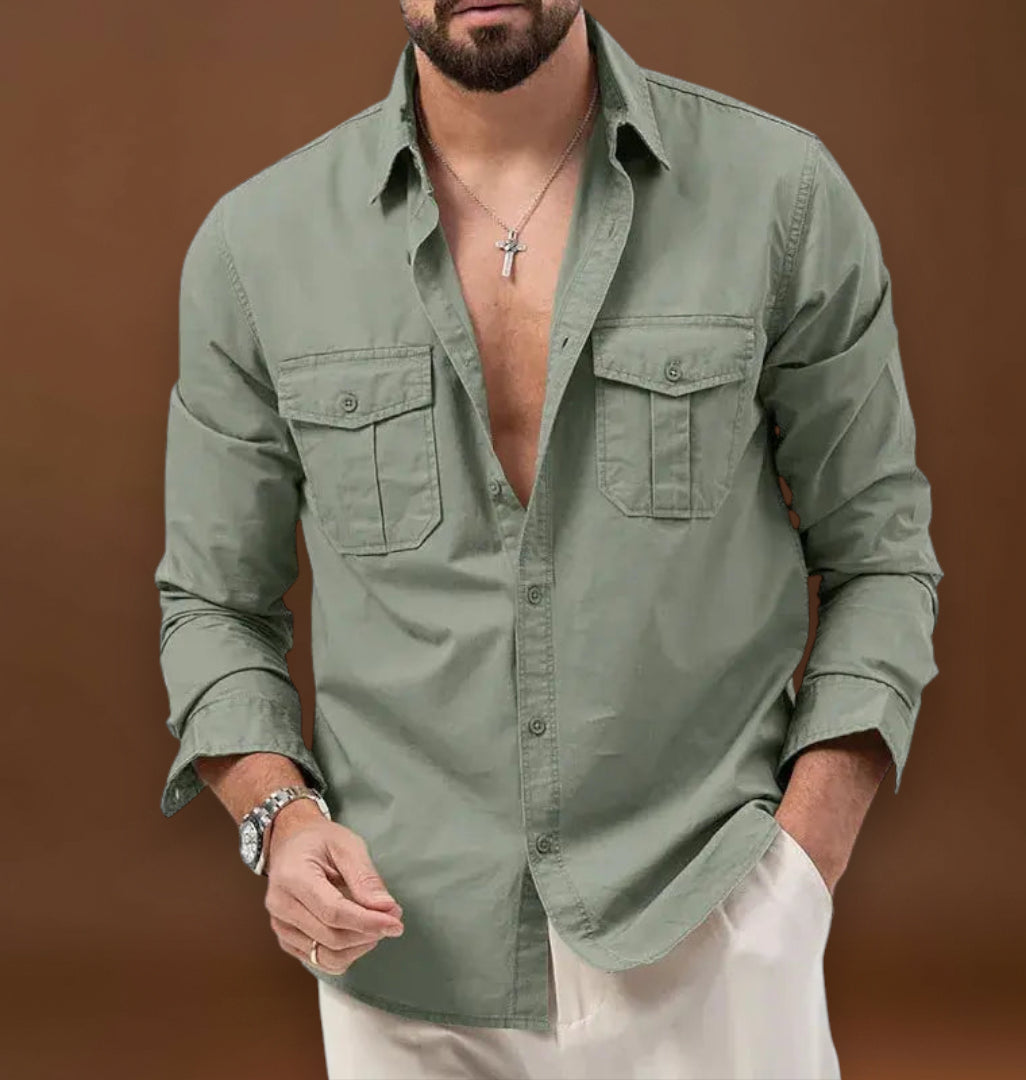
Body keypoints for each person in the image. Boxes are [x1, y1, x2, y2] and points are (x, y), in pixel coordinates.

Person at [153, 3, 943, 1077]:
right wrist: (281, 820)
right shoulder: (256, 247)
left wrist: (800, 871)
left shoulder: (781, 196)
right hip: (406, 953)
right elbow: (214, 605)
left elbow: (880, 553)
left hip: (711, 920)